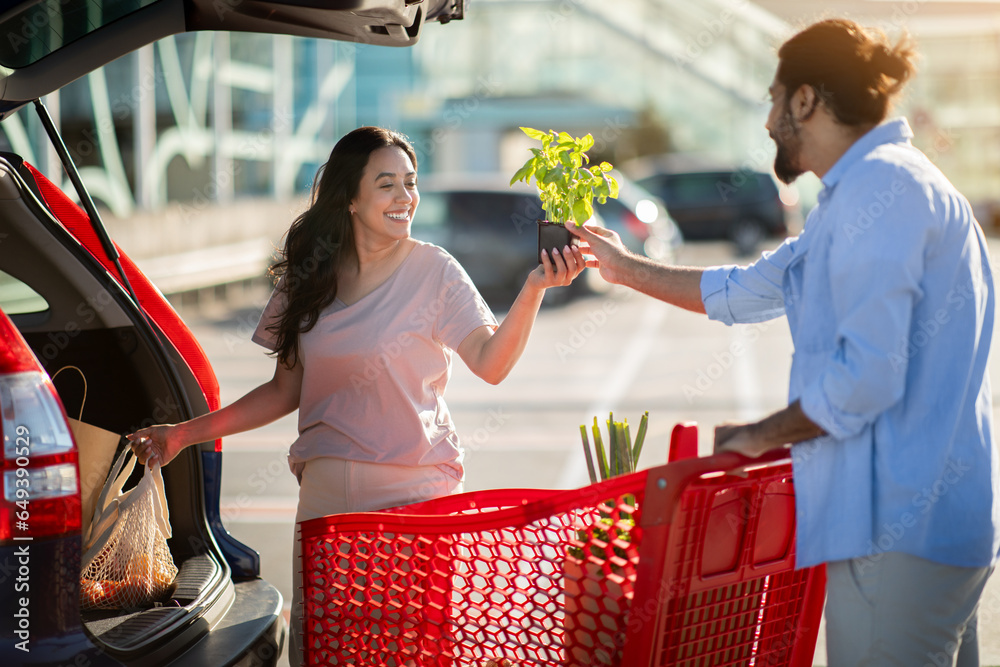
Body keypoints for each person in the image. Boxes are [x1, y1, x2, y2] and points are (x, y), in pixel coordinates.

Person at [570, 19, 999, 666]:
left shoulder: (883, 189)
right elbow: (744, 289)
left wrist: (756, 435)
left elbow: (867, 378)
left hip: (896, 530)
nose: (769, 120)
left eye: (775, 99)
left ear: (807, 100)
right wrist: (624, 267)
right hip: (921, 528)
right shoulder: (870, 190)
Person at [127, 126, 585, 666]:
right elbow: (283, 391)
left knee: (409, 653)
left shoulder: (435, 271)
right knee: (325, 652)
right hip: (325, 501)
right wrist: (184, 434)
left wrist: (533, 290)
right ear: (350, 197)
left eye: (410, 184)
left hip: (415, 499)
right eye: (387, 184)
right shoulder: (309, 277)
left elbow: (491, 363)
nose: (404, 197)